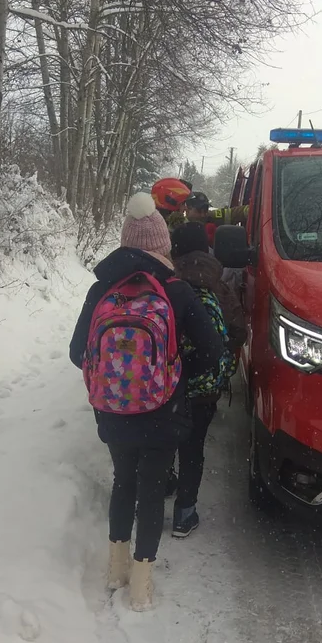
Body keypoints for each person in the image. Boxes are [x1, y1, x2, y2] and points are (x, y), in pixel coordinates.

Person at [69, 192, 224, 611]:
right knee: (152, 491)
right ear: (162, 244)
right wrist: (172, 367)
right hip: (163, 410)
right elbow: (212, 349)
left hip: (113, 412)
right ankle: (141, 586)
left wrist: (114, 376)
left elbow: (75, 351)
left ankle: (115, 569)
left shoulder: (102, 289)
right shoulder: (175, 291)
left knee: (124, 481)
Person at [167, 222, 248, 538]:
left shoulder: (167, 282)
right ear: (207, 249)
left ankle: (162, 483)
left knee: (164, 439)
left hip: (168, 383)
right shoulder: (220, 287)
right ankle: (184, 514)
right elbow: (239, 331)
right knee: (193, 446)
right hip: (204, 386)